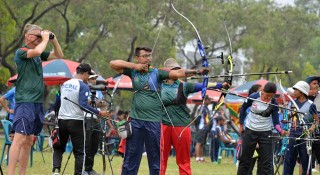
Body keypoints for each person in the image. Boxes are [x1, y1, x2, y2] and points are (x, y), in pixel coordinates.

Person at [109, 47, 208, 175]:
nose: (148, 58)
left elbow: (176, 74)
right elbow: (113, 64)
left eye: (149, 56)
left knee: (156, 160)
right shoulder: (133, 72)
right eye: (144, 56)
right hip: (136, 121)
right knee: (131, 157)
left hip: (154, 122)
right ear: (137, 58)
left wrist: (198, 71)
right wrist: (136, 66)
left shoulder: (157, 73)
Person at [9, 24, 64, 175]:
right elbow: (38, 50)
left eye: (41, 36)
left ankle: (22, 173)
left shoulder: (38, 55)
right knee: (19, 139)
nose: (39, 38)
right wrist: (45, 38)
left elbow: (59, 56)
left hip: (37, 102)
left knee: (29, 140)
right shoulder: (21, 52)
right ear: (28, 36)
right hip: (25, 101)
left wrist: (54, 40)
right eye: (37, 35)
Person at [159, 58, 228, 174]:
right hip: (163, 126)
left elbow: (204, 85)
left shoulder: (184, 86)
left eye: (177, 69)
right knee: (160, 160)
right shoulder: (158, 85)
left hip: (181, 127)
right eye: (173, 70)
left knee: (184, 161)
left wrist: (221, 85)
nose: (176, 72)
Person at [52, 63, 110, 175]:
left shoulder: (64, 84)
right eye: (89, 75)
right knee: (79, 152)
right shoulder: (83, 86)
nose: (88, 78)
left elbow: (57, 102)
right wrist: (99, 112)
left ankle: (56, 170)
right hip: (76, 122)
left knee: (59, 147)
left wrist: (56, 117)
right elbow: (83, 105)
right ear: (85, 74)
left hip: (62, 120)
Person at [237, 82, 289, 175]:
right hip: (250, 130)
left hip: (265, 133)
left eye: (271, 96)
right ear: (263, 91)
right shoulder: (253, 96)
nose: (268, 98)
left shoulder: (274, 103)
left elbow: (276, 122)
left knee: (267, 162)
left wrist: (281, 131)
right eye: (266, 96)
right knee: (245, 159)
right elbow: (243, 108)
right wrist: (241, 125)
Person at [283, 81, 319, 175]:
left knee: (305, 161)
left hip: (305, 136)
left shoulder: (311, 104)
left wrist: (312, 127)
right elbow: (288, 117)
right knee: (289, 160)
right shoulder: (292, 103)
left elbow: (316, 120)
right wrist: (287, 113)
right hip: (292, 134)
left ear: (302, 91)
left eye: (296, 90)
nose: (294, 92)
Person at [84, 73, 106, 175]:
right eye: (91, 79)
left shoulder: (97, 90)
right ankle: (84, 169)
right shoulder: (84, 89)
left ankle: (89, 168)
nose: (94, 81)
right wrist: (96, 102)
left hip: (97, 119)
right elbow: (86, 102)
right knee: (86, 145)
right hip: (86, 119)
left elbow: (103, 103)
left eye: (94, 79)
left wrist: (98, 103)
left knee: (94, 145)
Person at [305, 76, 320, 172]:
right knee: (304, 160)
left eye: (317, 83)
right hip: (305, 131)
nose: (317, 85)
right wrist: (307, 93)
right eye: (314, 83)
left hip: (318, 131)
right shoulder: (302, 97)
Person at [194, 95, 214, 163]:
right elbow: (197, 118)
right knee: (198, 143)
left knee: (202, 144)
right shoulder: (201, 107)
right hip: (201, 127)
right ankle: (197, 158)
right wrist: (198, 127)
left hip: (205, 128)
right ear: (205, 100)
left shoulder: (206, 108)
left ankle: (201, 158)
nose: (210, 101)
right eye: (209, 100)